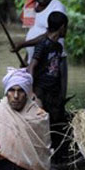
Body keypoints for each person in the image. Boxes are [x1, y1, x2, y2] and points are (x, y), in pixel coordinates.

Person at [14, 0, 68, 100]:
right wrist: (26, 60)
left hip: (52, 64)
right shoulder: (32, 8)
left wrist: (23, 44)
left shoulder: (56, 6)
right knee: (33, 98)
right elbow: (30, 34)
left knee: (54, 100)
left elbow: (50, 35)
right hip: (34, 62)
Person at [26, 11, 69, 160]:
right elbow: (31, 67)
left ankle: (56, 157)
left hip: (54, 93)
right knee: (42, 126)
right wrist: (32, 93)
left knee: (56, 126)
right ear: (62, 27)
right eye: (66, 28)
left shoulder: (57, 47)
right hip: (41, 92)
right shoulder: (42, 45)